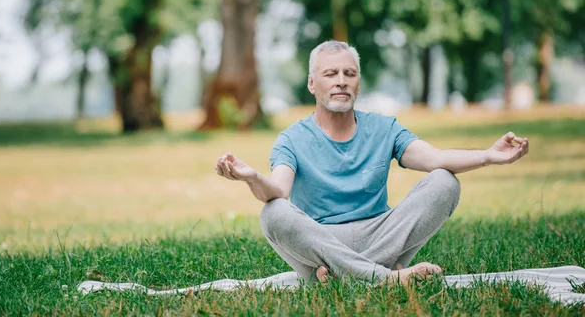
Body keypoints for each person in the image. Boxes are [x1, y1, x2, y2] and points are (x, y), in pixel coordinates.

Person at [215, 40, 529, 285]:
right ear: (312, 84)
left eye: (349, 74)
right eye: (330, 74)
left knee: (445, 181)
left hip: (380, 235)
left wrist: (488, 155)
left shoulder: (384, 128)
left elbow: (435, 158)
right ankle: (385, 278)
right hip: (321, 245)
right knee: (273, 213)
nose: (341, 81)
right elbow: (278, 190)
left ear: (358, 83)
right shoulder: (291, 138)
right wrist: (253, 177)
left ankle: (349, 278)